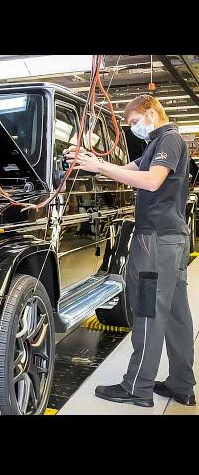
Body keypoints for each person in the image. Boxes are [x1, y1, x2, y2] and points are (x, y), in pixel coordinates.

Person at [66, 94, 195, 407]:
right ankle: (181, 384)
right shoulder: (156, 143)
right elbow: (121, 170)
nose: (133, 128)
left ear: (150, 110)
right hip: (170, 239)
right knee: (177, 314)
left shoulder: (170, 139)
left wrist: (99, 164)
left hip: (156, 241)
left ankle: (137, 387)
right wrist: (89, 160)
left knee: (148, 311)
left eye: (134, 122)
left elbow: (150, 181)